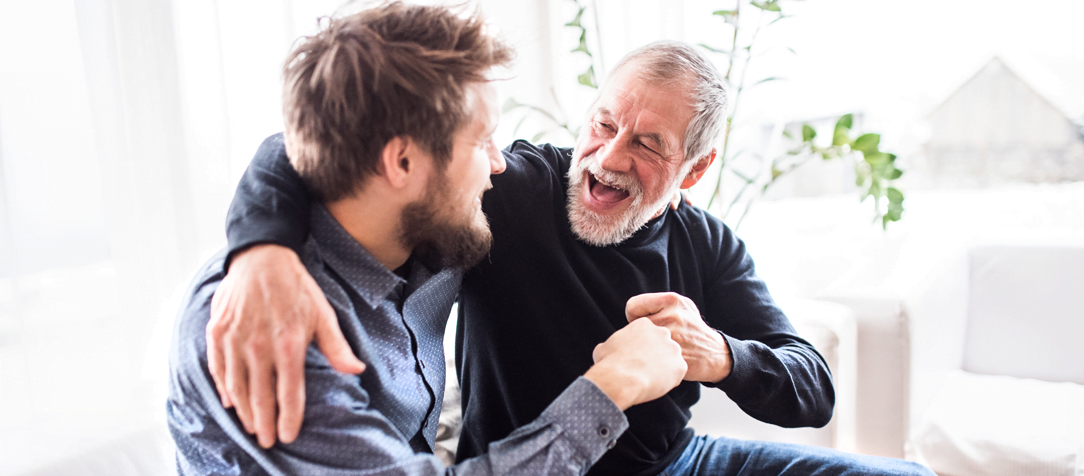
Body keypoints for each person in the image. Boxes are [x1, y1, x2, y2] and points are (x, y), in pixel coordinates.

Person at [210, 33, 936, 476]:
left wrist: (713, 354)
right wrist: (260, 251)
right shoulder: (509, 186)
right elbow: (303, 147)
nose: (609, 157)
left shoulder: (706, 243)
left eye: (648, 144)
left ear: (692, 172)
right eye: (605, 123)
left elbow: (813, 391)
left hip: (673, 465)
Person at [167, 3, 690, 474]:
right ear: (401, 162)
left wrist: (262, 246)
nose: (498, 163)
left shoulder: (428, 230)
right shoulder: (268, 332)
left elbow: (297, 143)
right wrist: (612, 386)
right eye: (481, 139)